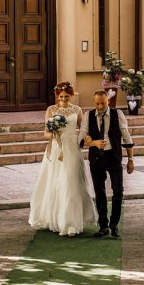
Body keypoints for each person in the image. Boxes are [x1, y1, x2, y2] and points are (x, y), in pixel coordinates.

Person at [28, 81, 97, 237]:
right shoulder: (51, 110)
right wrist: (53, 131)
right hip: (56, 149)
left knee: (71, 181)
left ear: (71, 96)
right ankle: (56, 220)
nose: (64, 99)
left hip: (72, 148)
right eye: (61, 97)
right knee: (55, 181)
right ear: (57, 96)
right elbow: (45, 133)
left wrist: (87, 138)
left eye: (67, 96)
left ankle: (71, 223)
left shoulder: (77, 110)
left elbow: (83, 129)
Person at [78, 89, 134, 238]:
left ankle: (114, 224)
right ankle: (103, 226)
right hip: (96, 159)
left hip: (113, 157)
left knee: (118, 190)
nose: (100, 106)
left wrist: (130, 160)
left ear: (108, 101)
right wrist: (94, 143)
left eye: (103, 103)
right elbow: (80, 141)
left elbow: (126, 138)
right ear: (94, 102)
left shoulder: (118, 114)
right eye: (97, 103)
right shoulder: (88, 116)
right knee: (100, 192)